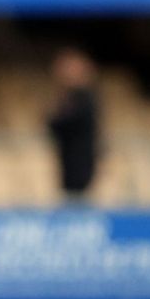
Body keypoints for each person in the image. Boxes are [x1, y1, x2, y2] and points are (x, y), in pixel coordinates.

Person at [46, 47, 101, 199]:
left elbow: (63, 122)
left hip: (81, 166)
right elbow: (53, 125)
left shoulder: (85, 99)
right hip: (68, 165)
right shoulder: (70, 98)